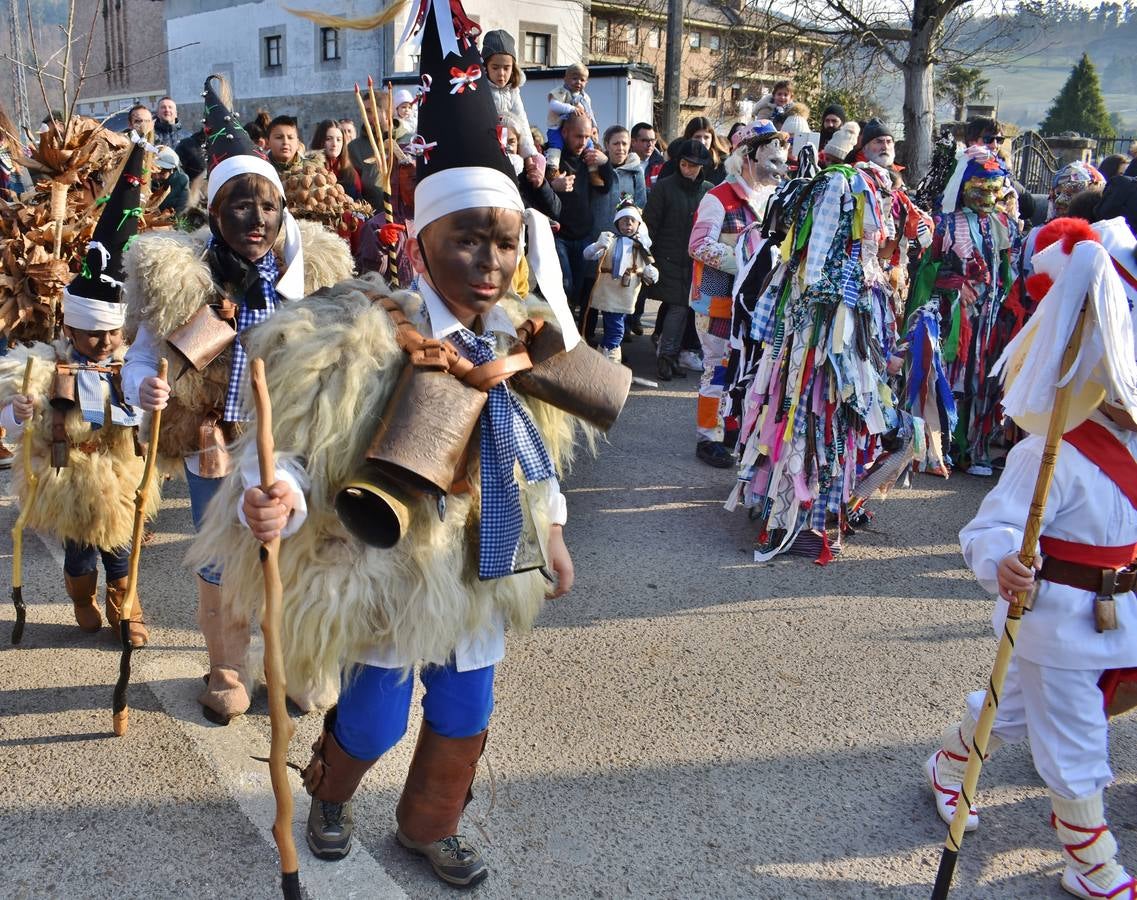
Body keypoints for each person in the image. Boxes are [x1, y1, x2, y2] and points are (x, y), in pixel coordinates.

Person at [188, 4, 606, 887]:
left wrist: (554, 534)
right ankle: (333, 793)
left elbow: (537, 452)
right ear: (421, 241)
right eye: (468, 239)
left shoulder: (523, 340)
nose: (489, 261)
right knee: (375, 714)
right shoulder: (360, 332)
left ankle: (429, 823)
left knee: (465, 709)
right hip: (390, 562)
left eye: (503, 241)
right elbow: (305, 437)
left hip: (485, 559)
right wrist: (281, 494)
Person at [122, 73, 354, 724]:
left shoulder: (312, 275)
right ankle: (226, 667)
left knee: (295, 552)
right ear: (216, 211)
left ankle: (294, 663)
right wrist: (144, 384)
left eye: (268, 207)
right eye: (241, 207)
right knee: (225, 557)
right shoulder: (181, 275)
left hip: (294, 447)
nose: (257, 220)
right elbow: (140, 350)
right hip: (214, 447)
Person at [926, 218, 1137, 900]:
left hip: (1118, 612)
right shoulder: (1050, 450)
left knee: (1010, 710)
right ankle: (1088, 860)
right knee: (1074, 740)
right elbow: (988, 531)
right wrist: (1001, 565)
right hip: (1056, 615)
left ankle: (949, 765)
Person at [0, 135, 155, 645]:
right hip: (71, 478)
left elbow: (152, 415)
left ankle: (126, 606)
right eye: (94, 334)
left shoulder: (129, 362)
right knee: (80, 553)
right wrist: (20, 412)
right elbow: (10, 424)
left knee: (123, 549)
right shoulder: (46, 364)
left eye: (113, 332)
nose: (106, 341)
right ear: (70, 329)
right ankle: (82, 596)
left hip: (121, 473)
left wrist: (156, 402)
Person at [688, 122, 787, 467]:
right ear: (748, 156)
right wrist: (748, 265)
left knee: (748, 368)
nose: (778, 159)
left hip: (756, 307)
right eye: (769, 150)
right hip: (718, 301)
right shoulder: (718, 197)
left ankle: (733, 428)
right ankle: (708, 436)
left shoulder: (775, 197)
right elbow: (698, 245)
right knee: (717, 368)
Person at [643, 138, 712, 380]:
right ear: (678, 162)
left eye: (694, 165)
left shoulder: (708, 191)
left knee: (686, 309)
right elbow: (650, 223)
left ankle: (669, 355)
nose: (689, 169)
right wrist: (648, 257)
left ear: (702, 166)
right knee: (679, 307)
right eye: (685, 163)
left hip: (696, 260)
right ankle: (666, 357)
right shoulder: (664, 187)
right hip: (667, 257)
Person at [583, 196, 657, 362]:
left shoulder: (641, 246)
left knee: (616, 325)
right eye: (624, 221)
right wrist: (597, 245)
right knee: (616, 329)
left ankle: (603, 353)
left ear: (639, 224)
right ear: (617, 223)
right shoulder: (610, 240)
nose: (628, 224)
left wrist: (651, 273)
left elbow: (647, 268)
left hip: (627, 295)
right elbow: (588, 255)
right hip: (608, 292)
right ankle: (612, 357)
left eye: (632, 221)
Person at [550, 113, 613, 311]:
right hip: (558, 234)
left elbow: (604, 188)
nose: (583, 142)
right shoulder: (551, 155)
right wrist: (552, 185)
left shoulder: (590, 158)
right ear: (565, 132)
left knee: (577, 290)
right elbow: (533, 188)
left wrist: (605, 163)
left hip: (583, 234)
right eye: (578, 136)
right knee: (564, 286)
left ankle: (573, 332)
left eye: (587, 137)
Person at [482, 29, 537, 160]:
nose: (501, 73)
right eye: (495, 68)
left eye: (506, 68)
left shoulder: (513, 90)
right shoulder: (481, 89)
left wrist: (529, 155)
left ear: (513, 67)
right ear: (485, 66)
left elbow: (521, 121)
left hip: (511, 146)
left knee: (538, 161)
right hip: (488, 145)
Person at [545, 62, 594, 166]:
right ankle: (552, 167)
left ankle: (592, 168)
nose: (578, 82)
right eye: (574, 78)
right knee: (556, 145)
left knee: (590, 144)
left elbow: (589, 113)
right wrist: (571, 108)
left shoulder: (585, 98)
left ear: (587, 82)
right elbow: (553, 105)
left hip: (578, 130)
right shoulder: (561, 92)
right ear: (565, 78)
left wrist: (593, 127)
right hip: (557, 127)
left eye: (582, 80)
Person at [152, 146, 189, 214]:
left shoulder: (181, 180)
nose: (157, 174)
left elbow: (179, 206)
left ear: (172, 170)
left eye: (162, 171)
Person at [632, 122, 665, 190]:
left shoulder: (662, 165)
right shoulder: (623, 162)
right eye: (644, 140)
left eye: (652, 140)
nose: (650, 144)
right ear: (633, 142)